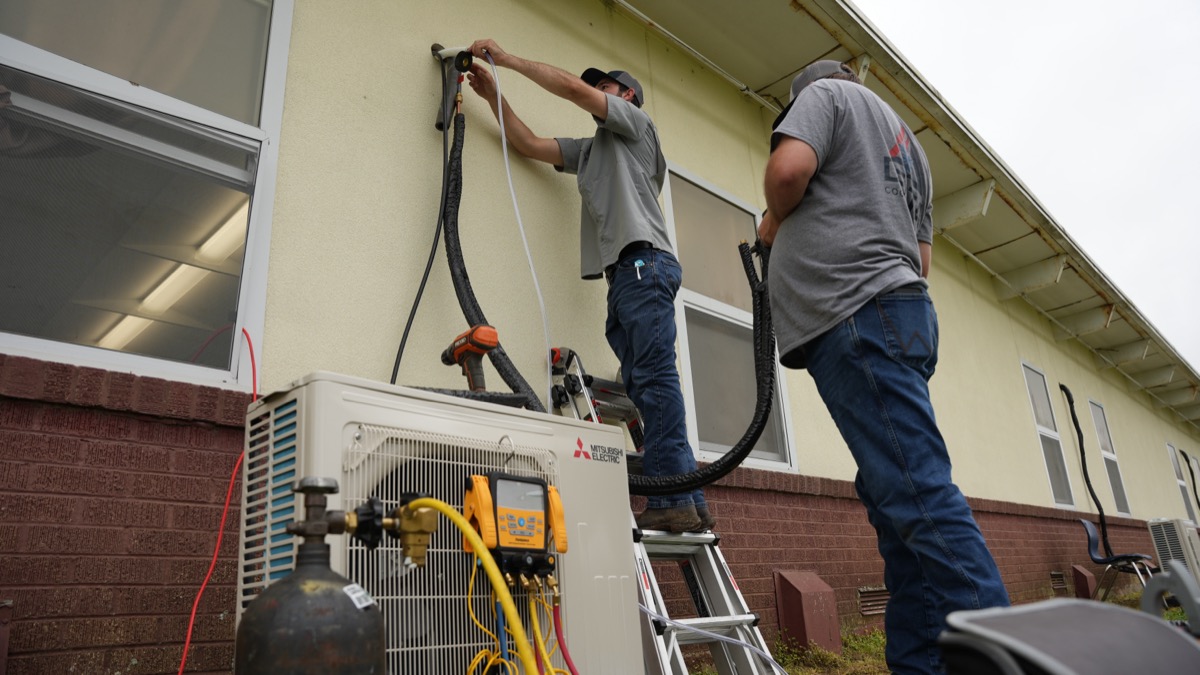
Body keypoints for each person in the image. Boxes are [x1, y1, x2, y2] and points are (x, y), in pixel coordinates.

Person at [758, 60, 1010, 674]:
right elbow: (921, 260)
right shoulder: (910, 150)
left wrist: (772, 225)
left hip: (857, 316)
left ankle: (1004, 657)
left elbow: (789, 170)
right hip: (897, 313)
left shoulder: (824, 95)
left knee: (918, 497)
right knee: (902, 510)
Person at [466, 40, 712, 533]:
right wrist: (494, 95)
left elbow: (575, 92)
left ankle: (671, 498)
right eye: (596, 84)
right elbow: (530, 144)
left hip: (644, 265)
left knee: (655, 378)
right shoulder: (594, 151)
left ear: (627, 96)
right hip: (626, 275)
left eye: (607, 85)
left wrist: (510, 59)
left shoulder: (637, 128)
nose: (596, 90)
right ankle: (688, 498)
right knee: (646, 381)